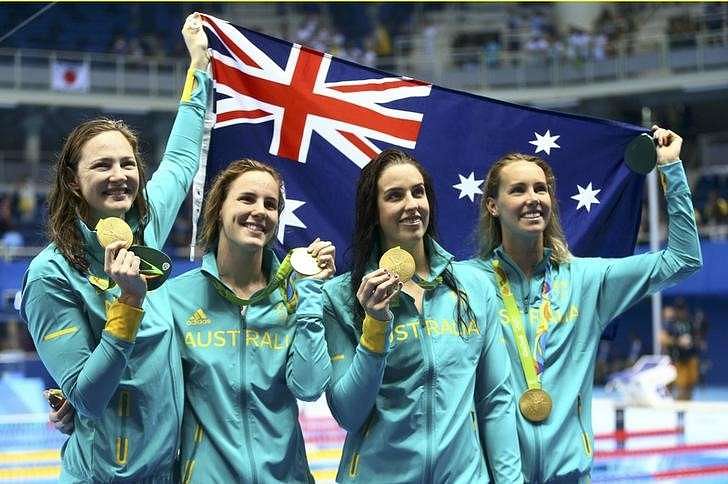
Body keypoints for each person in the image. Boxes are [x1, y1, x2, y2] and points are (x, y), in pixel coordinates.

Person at [20, 14, 210, 483]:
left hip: (168, 471)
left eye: (128, 163)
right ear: (73, 180)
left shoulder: (145, 226)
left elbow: (183, 157)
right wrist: (128, 305)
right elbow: (85, 398)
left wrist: (200, 67)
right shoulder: (51, 275)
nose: (119, 175)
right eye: (102, 165)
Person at [469, 126, 702, 482]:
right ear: (492, 206)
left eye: (541, 189)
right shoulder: (469, 282)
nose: (533, 198)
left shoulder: (587, 280)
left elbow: (683, 259)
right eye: (518, 190)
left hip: (571, 475)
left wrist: (671, 169)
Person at [321, 149, 522, 483]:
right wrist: (375, 324)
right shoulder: (341, 297)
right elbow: (348, 414)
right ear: (374, 211)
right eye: (395, 196)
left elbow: (495, 399)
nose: (412, 205)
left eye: (419, 192)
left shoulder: (474, 286)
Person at [169, 159, 334, 482]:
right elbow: (149, 387)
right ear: (218, 208)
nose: (260, 211)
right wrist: (79, 411)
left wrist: (310, 295)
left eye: (270, 204)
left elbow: (310, 386)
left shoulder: (293, 300)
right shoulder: (176, 299)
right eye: (247, 199)